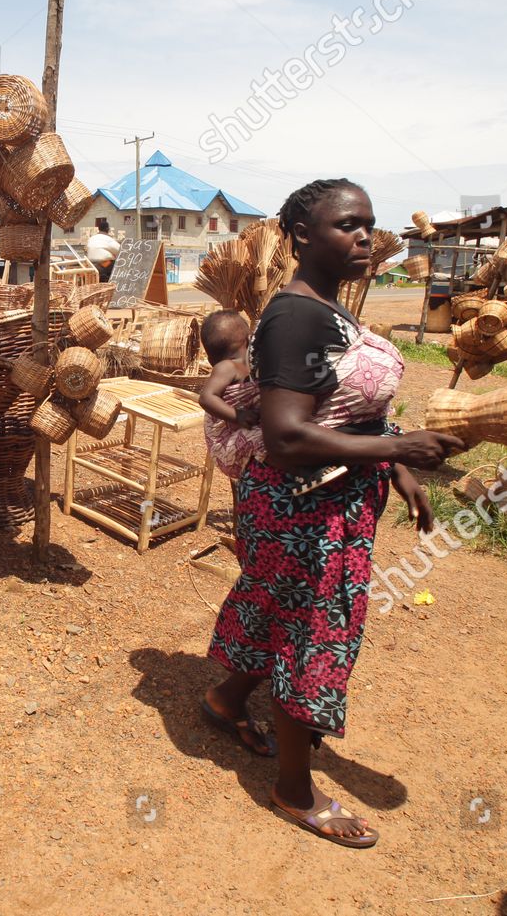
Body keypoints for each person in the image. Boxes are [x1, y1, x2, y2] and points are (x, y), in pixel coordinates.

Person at [201, 178, 465, 849]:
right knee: (312, 633)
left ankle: (225, 699)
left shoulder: (330, 309)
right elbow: (289, 438)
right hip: (299, 507)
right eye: (347, 223)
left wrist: (395, 463)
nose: (363, 236)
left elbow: (350, 406)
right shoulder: (298, 317)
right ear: (299, 236)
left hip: (326, 496)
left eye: (369, 224)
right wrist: (398, 445)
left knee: (277, 611)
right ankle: (294, 789)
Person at [199, 310, 262, 485]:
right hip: (224, 444)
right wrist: (238, 415)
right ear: (249, 339)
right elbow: (206, 398)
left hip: (239, 439)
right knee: (274, 436)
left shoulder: (249, 366)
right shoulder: (227, 367)